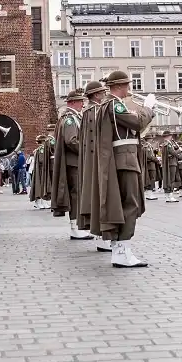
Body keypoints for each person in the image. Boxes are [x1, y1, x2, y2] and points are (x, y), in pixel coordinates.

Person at [86, 70, 156, 268]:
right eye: (126, 85)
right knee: (130, 204)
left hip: (122, 159)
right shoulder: (114, 105)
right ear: (118, 86)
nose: (129, 88)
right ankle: (123, 250)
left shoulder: (109, 105)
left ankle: (120, 250)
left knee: (123, 204)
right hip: (124, 159)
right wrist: (148, 109)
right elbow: (137, 122)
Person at [51, 88, 92, 240]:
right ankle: (75, 227)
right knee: (76, 195)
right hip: (74, 163)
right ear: (73, 102)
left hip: (75, 162)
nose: (83, 104)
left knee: (78, 194)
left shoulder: (74, 117)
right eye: (81, 101)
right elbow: (72, 141)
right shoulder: (69, 118)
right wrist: (88, 150)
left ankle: (77, 226)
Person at [76, 80, 107, 247]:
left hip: (90, 159)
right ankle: (103, 237)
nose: (104, 95)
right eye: (102, 92)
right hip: (97, 160)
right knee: (101, 196)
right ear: (95, 95)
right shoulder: (95, 111)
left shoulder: (88, 111)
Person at [160, 134, 182, 203]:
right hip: (171, 163)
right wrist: (179, 150)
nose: (171, 137)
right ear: (168, 136)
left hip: (170, 163)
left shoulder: (165, 144)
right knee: (171, 179)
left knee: (168, 179)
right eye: (170, 135)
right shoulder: (168, 144)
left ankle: (167, 195)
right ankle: (170, 195)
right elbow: (173, 153)